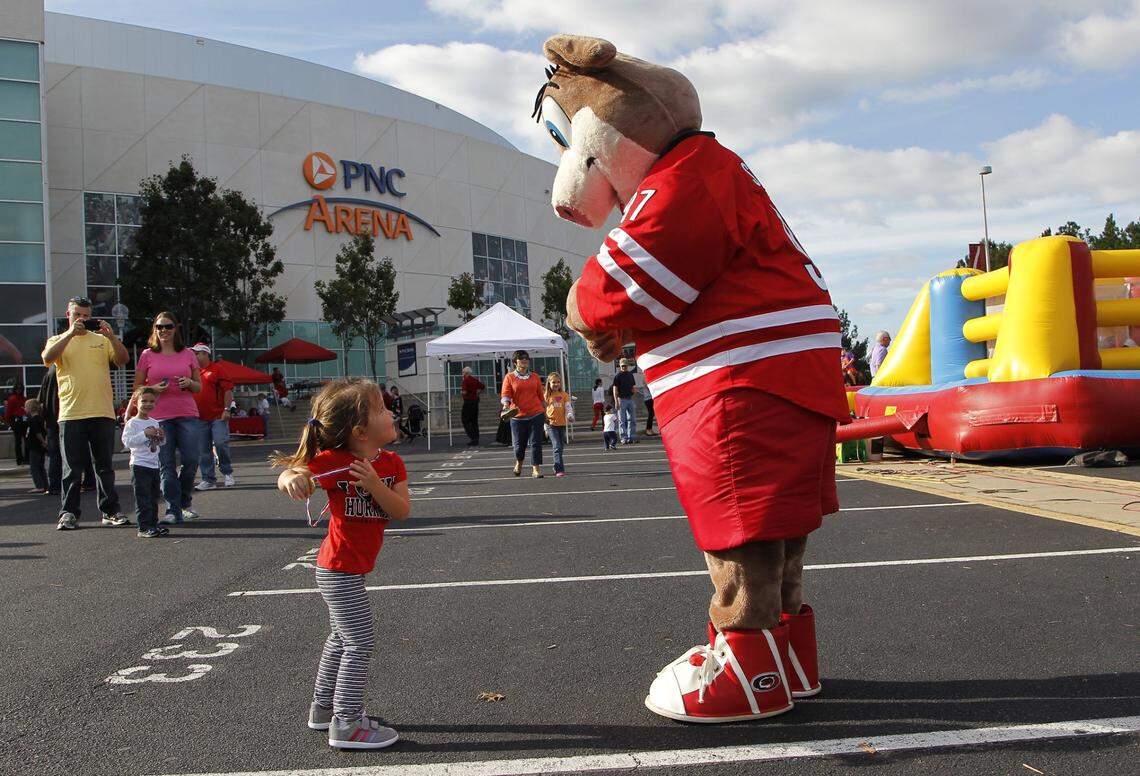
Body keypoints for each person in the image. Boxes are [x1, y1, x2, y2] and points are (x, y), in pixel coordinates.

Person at [274, 378, 411, 750]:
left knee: (341, 638)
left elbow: (400, 510)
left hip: (350, 569)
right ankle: (347, 724)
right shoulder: (337, 463)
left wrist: (375, 486)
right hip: (337, 570)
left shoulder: (391, 463)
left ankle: (323, 710)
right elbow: (297, 471)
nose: (391, 412)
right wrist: (291, 479)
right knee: (360, 642)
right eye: (382, 409)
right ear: (360, 431)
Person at [41, 296, 130, 530]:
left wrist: (112, 337)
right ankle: (68, 512)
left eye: (86, 316)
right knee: (72, 468)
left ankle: (110, 511)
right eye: (77, 314)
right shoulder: (58, 339)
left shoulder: (101, 340)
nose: (82, 319)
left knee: (104, 466)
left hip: (102, 411)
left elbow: (122, 360)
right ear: (68, 315)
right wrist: (70, 334)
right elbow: (47, 358)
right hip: (72, 413)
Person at [129, 312, 202, 525]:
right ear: (154, 329)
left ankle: (184, 501)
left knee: (191, 461)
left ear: (175, 329)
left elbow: (199, 386)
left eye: (168, 327)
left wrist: (188, 382)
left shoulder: (187, 354)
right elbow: (137, 389)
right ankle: (172, 509)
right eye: (159, 327)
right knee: (166, 465)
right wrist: (151, 388)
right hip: (159, 417)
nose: (164, 331)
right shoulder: (147, 355)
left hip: (186, 413)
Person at [122, 386, 167, 538]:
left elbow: (159, 444)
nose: (148, 404)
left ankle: (153, 524)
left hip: (153, 464)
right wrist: (144, 434)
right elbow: (127, 442)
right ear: (136, 402)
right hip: (139, 465)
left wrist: (161, 437)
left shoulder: (155, 421)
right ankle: (143, 527)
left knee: (154, 497)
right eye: (144, 401)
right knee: (143, 498)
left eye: (152, 401)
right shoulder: (133, 423)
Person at [190, 343, 236, 490]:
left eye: (197, 353)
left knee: (221, 443)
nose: (195, 356)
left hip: (218, 415)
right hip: (199, 417)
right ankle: (208, 479)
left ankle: (227, 472)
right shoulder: (192, 371)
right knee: (203, 449)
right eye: (194, 354)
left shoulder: (217, 369)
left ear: (205, 354)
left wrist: (227, 409)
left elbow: (228, 391)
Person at [500, 349, 546, 478]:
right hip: (517, 415)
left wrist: (546, 412)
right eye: (521, 358)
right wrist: (506, 406)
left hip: (536, 413)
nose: (524, 360)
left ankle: (535, 469)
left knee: (536, 442)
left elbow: (540, 396)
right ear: (515, 362)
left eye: (526, 358)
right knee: (519, 445)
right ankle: (519, 463)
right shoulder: (509, 377)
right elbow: (505, 394)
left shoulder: (535, 377)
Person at [544, 372, 574, 477]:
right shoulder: (546, 395)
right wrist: (545, 428)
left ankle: (556, 465)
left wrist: (570, 415)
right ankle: (559, 469)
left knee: (560, 447)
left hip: (561, 424)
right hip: (550, 425)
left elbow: (568, 407)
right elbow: (543, 411)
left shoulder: (564, 395)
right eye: (553, 382)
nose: (556, 384)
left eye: (558, 382)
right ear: (549, 383)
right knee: (556, 446)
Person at [611, 357, 638, 444]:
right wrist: (616, 401)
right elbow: (615, 390)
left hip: (630, 399)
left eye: (625, 365)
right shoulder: (617, 376)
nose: (624, 367)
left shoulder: (630, 375)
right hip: (621, 399)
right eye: (622, 366)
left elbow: (633, 386)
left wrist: (634, 390)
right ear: (620, 366)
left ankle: (632, 437)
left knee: (632, 419)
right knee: (622, 420)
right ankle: (623, 438)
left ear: (627, 365)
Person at [25, 398, 48, 494]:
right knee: (40, 466)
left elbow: (37, 432)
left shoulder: (33, 420)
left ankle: (39, 486)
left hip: (35, 446)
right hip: (39, 447)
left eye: (26, 407)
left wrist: (43, 441)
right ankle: (45, 484)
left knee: (34, 467)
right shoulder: (40, 419)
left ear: (30, 408)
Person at [460, 366, 485, 446]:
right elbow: (482, 386)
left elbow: (464, 392)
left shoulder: (465, 381)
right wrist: (477, 393)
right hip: (475, 402)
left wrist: (462, 393)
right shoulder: (474, 380)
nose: (462, 374)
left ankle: (472, 437)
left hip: (468, 402)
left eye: (463, 372)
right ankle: (476, 438)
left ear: (466, 373)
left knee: (465, 420)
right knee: (474, 421)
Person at [4, 384, 27, 465]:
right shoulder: (12, 399)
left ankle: (26, 458)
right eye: (17, 389)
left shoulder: (24, 399)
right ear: (15, 389)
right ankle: (19, 459)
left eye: (20, 389)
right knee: (18, 441)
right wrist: (9, 423)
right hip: (16, 422)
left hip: (24, 421)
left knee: (26, 440)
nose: (19, 390)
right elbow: (8, 412)